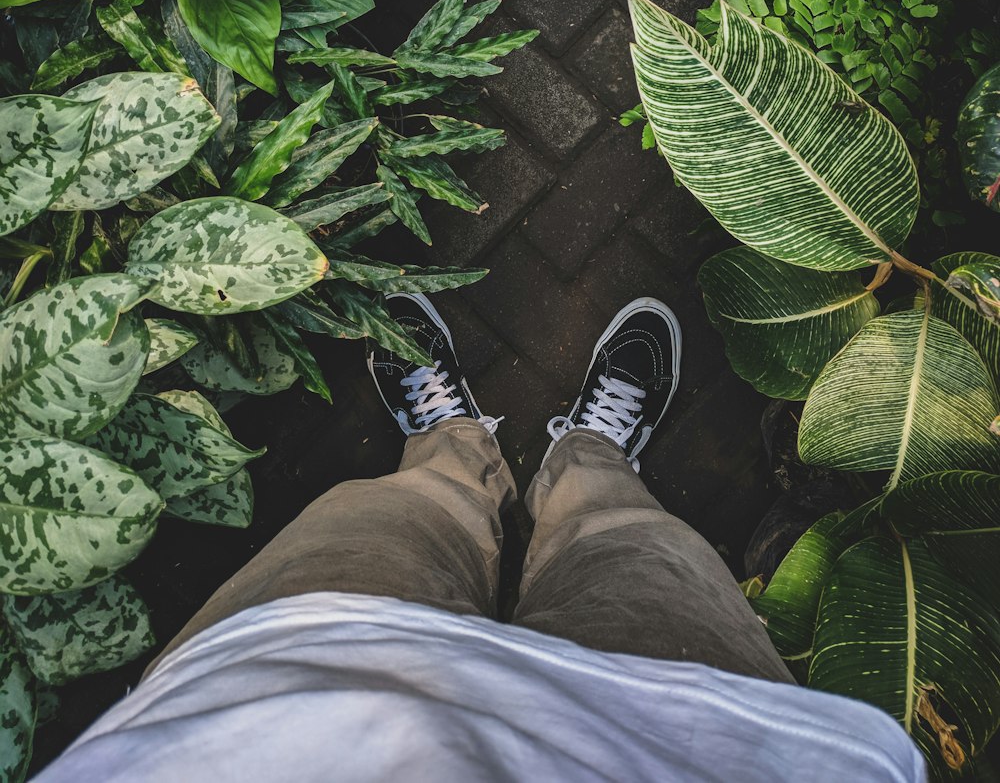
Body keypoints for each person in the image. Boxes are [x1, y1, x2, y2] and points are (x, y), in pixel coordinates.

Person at [39, 296, 924, 782]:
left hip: (285, 698)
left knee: (408, 512)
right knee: (620, 537)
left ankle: (457, 449)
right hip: (677, 733)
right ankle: (585, 456)